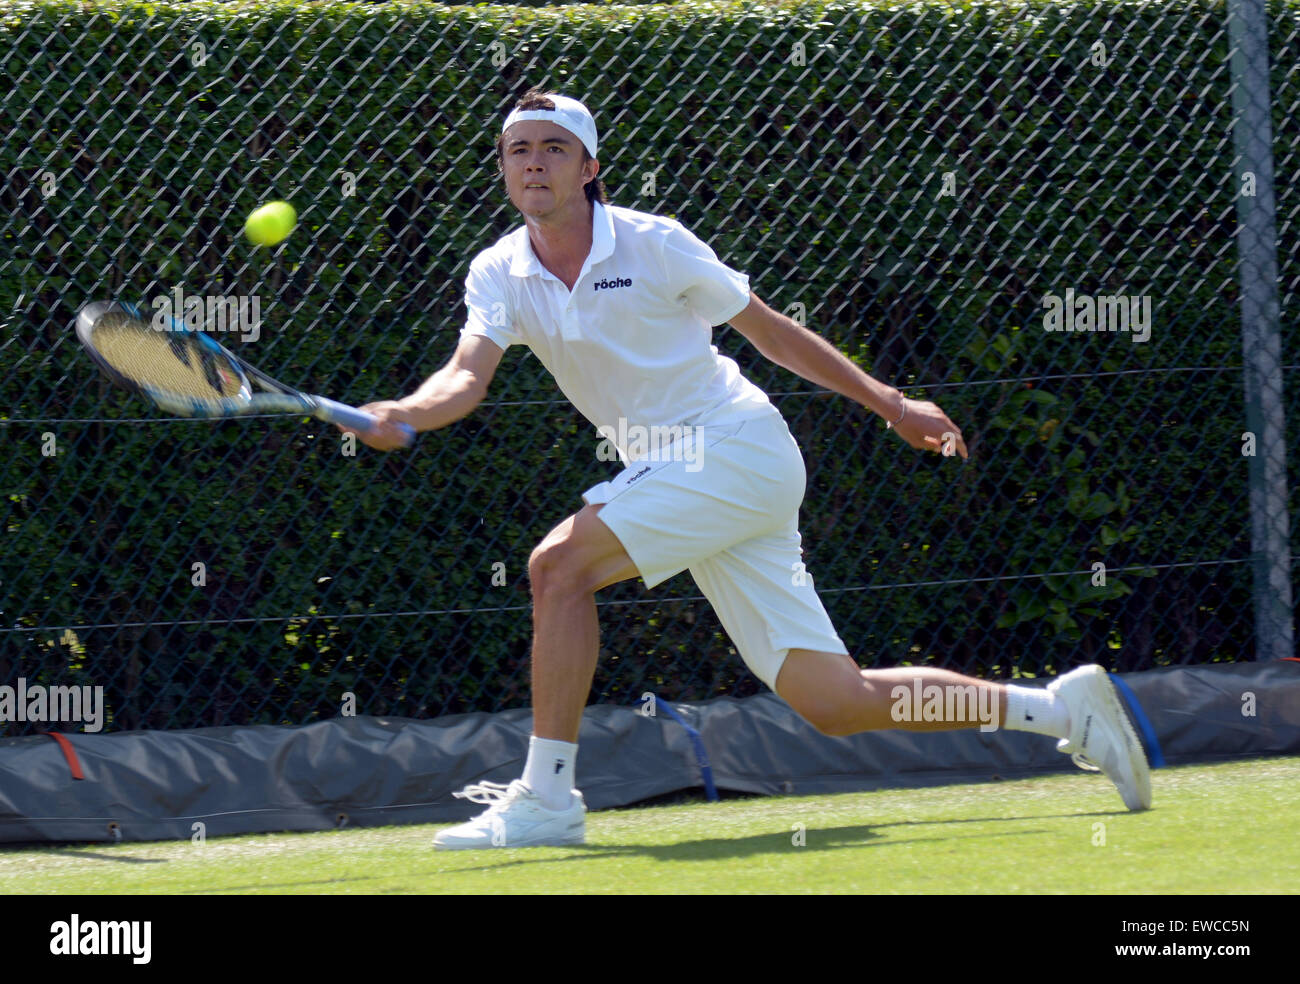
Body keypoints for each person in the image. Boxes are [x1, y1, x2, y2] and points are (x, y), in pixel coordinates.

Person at [346, 89, 1151, 849]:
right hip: (688, 479)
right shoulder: (499, 271)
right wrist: (407, 412)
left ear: (589, 168)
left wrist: (892, 403)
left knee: (557, 568)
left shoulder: (655, 243)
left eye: (554, 149)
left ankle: (548, 797)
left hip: (731, 446)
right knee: (836, 702)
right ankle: (1059, 710)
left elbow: (770, 332)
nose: (533, 164)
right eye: (517, 151)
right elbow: (465, 376)